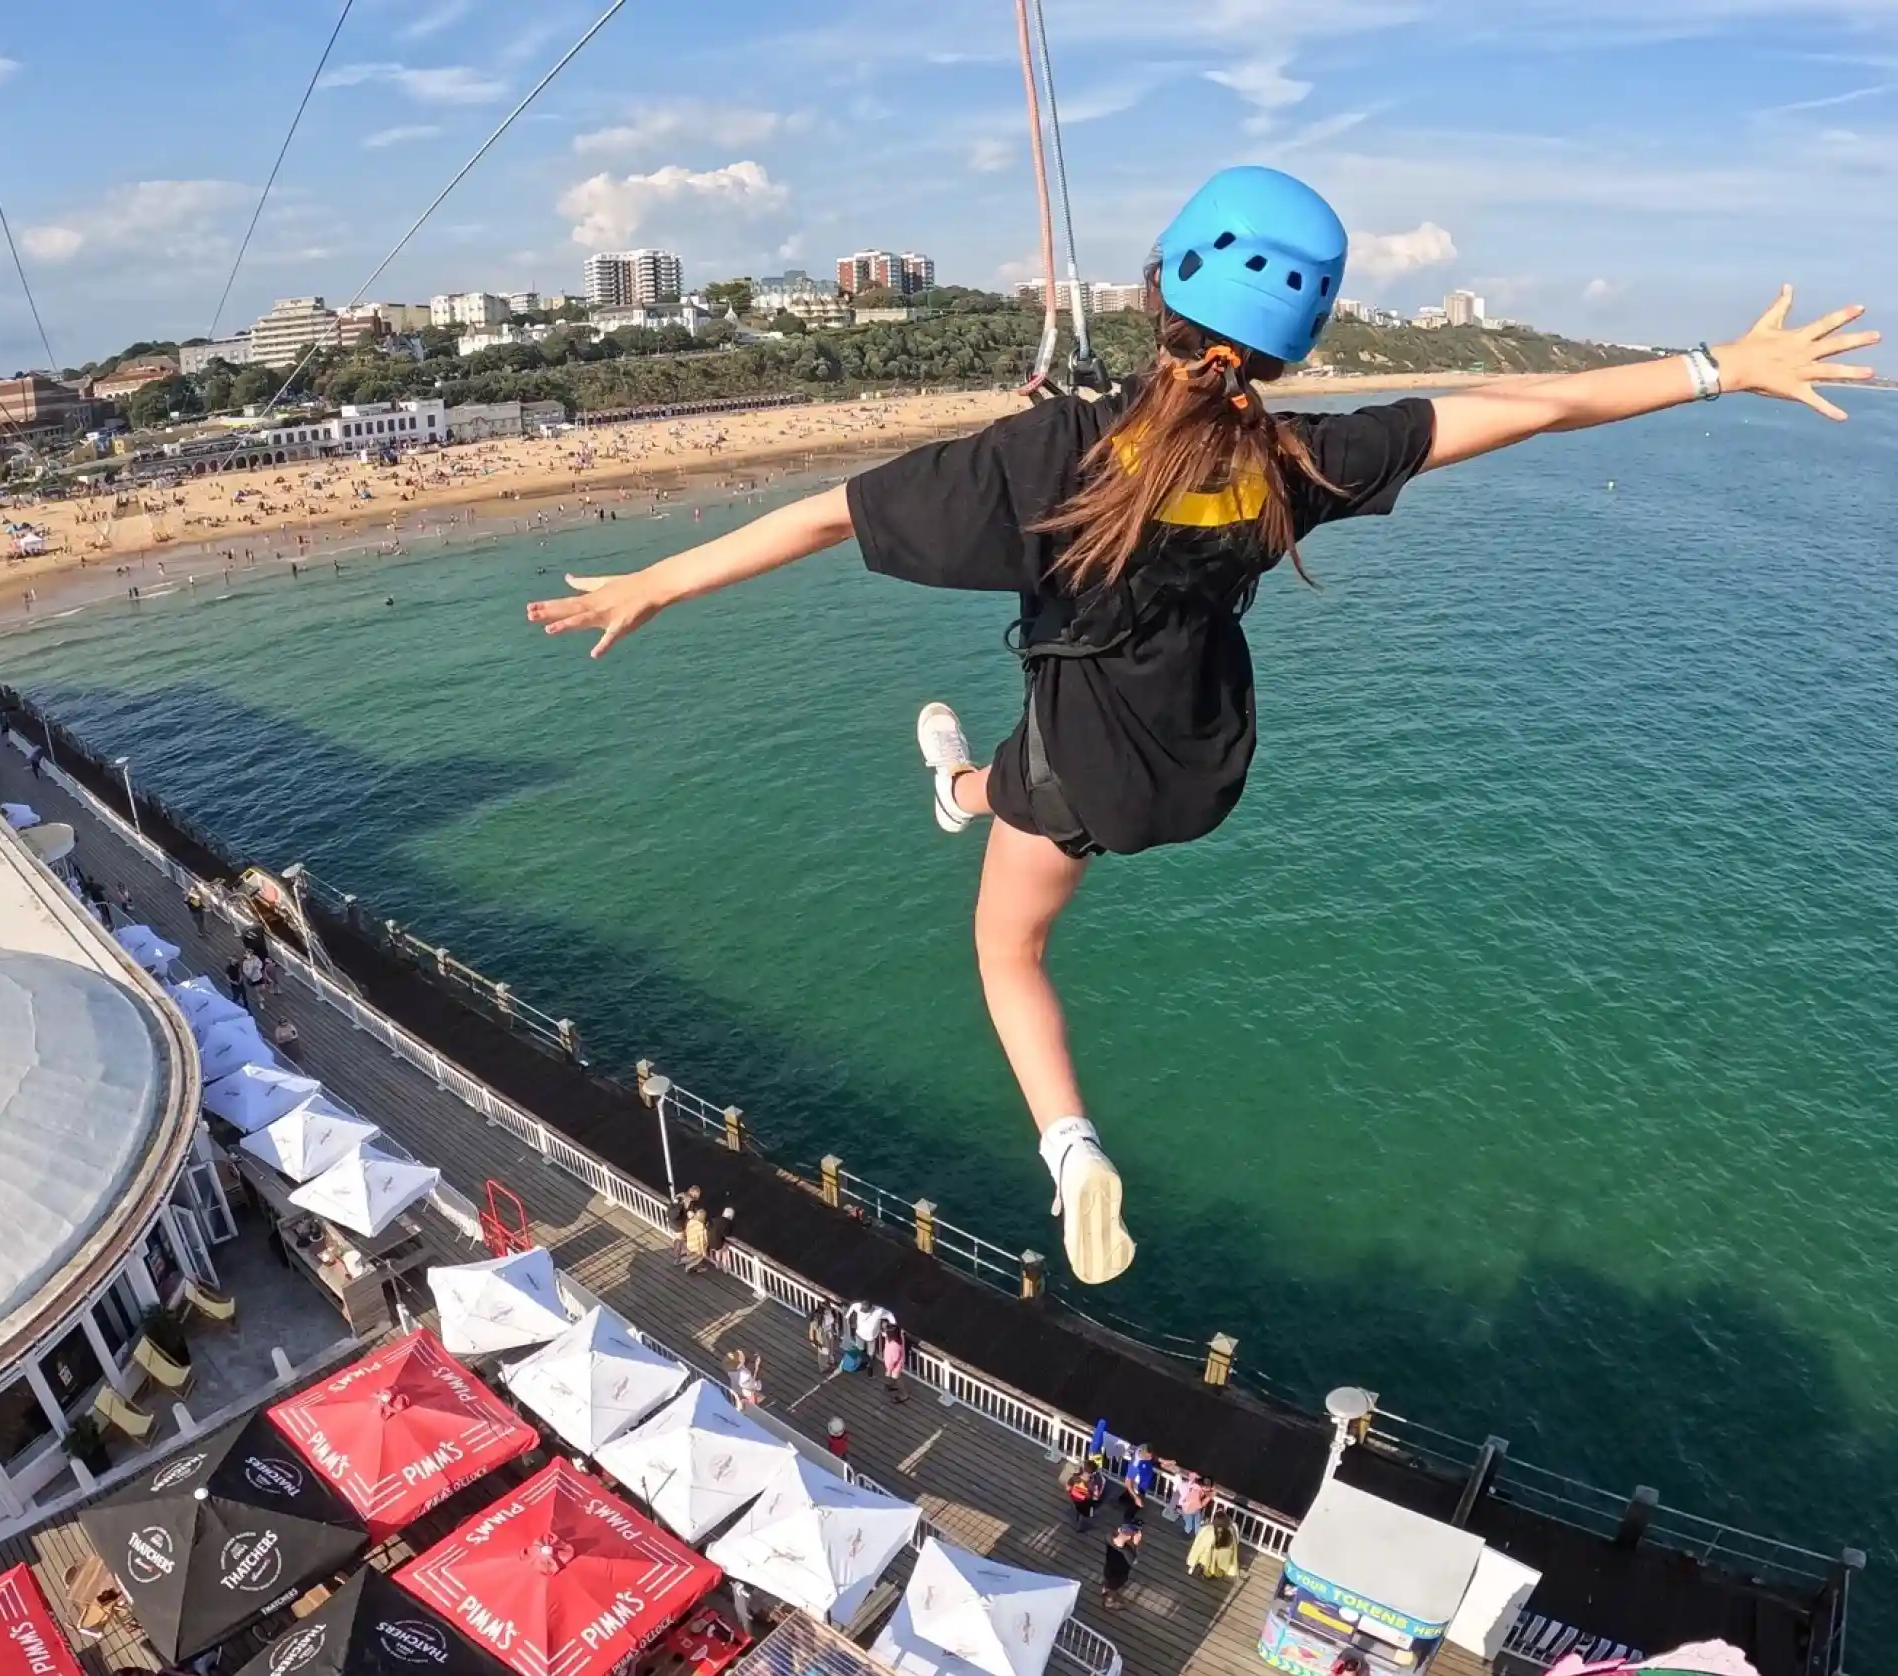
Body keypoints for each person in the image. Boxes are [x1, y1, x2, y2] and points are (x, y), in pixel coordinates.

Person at [526, 166, 1878, 1288]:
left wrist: (653, 581)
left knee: (1007, 951)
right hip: (1201, 766)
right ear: (1298, 346)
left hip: (1086, 784)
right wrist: (1720, 366)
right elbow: (1533, 409)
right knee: (989, 781)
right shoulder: (1301, 461)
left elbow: (827, 513)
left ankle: (1069, 1147)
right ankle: (956, 783)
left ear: (1159, 288)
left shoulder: (1046, 463)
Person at [1188, 1507, 1240, 1580]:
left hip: (1210, 1557)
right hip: (1224, 1558)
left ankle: (1207, 1574)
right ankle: (1218, 1573)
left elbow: (1198, 1546)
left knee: (1208, 1558)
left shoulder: (1208, 1530)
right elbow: (1235, 1546)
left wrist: (1192, 1561)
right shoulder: (1231, 1532)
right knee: (1220, 1564)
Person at [1101, 1522, 1142, 1611]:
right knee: (1113, 1589)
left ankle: (1105, 1590)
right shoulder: (1127, 1551)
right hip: (1118, 1575)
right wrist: (1135, 1545)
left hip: (1109, 1569)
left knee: (1107, 1581)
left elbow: (1110, 1535)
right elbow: (1133, 1560)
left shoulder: (1109, 1539)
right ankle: (1109, 1602)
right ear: (1128, 1537)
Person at [807, 1299, 843, 1375]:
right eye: (827, 1307)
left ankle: (831, 1361)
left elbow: (832, 1322)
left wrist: (834, 1331)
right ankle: (823, 1367)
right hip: (822, 1334)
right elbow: (812, 1328)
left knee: (831, 1348)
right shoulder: (817, 1317)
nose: (829, 1308)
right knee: (823, 1350)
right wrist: (812, 1340)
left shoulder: (830, 1312)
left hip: (829, 1331)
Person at [1176, 1470, 1215, 1537]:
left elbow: (1191, 1479)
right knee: (1191, 1523)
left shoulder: (1195, 1486)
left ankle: (1194, 1532)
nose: (1206, 1488)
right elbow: (1201, 1505)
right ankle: (1188, 1532)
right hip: (1189, 1509)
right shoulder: (1196, 1491)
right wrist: (1209, 1496)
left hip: (1190, 1508)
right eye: (1206, 1487)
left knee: (1195, 1521)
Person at [879, 1323, 908, 1403]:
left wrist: (889, 1370)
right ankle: (894, 1385)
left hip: (895, 1366)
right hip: (892, 1364)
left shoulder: (895, 1345)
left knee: (897, 1378)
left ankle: (904, 1394)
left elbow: (894, 1360)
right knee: (894, 1377)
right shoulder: (897, 1338)